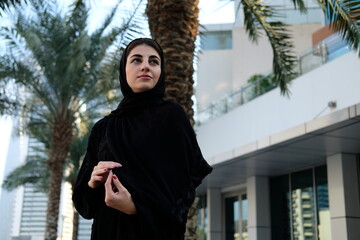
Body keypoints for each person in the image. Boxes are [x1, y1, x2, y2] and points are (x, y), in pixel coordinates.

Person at [72, 38, 212, 240]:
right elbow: (86, 208)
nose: (145, 66)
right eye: (136, 60)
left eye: (154, 61)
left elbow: (182, 189)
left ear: (160, 72)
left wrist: (136, 207)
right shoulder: (104, 128)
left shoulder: (171, 117)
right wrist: (92, 184)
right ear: (124, 69)